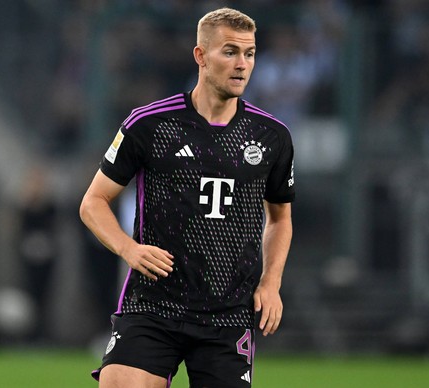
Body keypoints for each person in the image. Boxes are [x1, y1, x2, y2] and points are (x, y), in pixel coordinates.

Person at [79, 7, 295, 388]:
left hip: (228, 313)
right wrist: (129, 249)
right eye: (229, 51)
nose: (242, 64)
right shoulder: (149, 124)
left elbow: (280, 218)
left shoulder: (272, 136)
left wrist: (271, 282)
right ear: (200, 56)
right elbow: (93, 202)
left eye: (250, 53)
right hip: (153, 304)